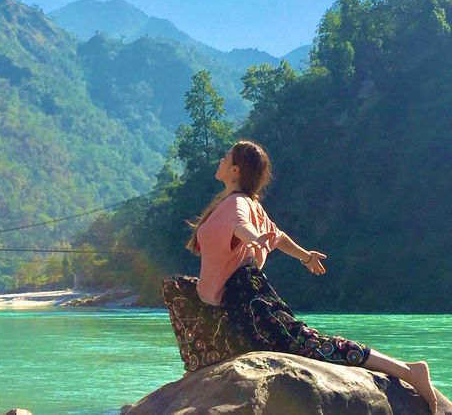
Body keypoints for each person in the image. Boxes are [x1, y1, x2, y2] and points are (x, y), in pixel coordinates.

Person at [162, 139, 438, 414]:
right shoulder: (241, 202)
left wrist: (254, 238)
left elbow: (241, 226)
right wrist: (305, 256)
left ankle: (410, 371)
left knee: (307, 344)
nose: (220, 160)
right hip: (226, 301)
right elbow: (278, 236)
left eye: (225, 157)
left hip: (246, 296)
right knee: (176, 290)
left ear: (235, 170)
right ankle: (202, 370)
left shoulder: (238, 204)